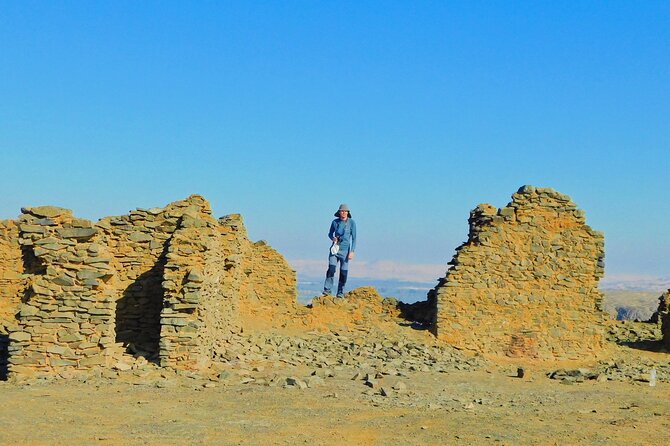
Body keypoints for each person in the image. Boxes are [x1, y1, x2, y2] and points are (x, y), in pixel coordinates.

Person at [323, 204, 356, 298]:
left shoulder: (352, 223)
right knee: (331, 269)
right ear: (339, 212)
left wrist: (352, 251)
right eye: (342, 211)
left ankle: (340, 293)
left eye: (346, 211)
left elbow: (354, 238)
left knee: (343, 272)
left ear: (348, 213)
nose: (344, 213)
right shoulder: (335, 222)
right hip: (335, 249)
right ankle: (327, 290)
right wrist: (332, 238)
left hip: (345, 251)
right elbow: (329, 233)